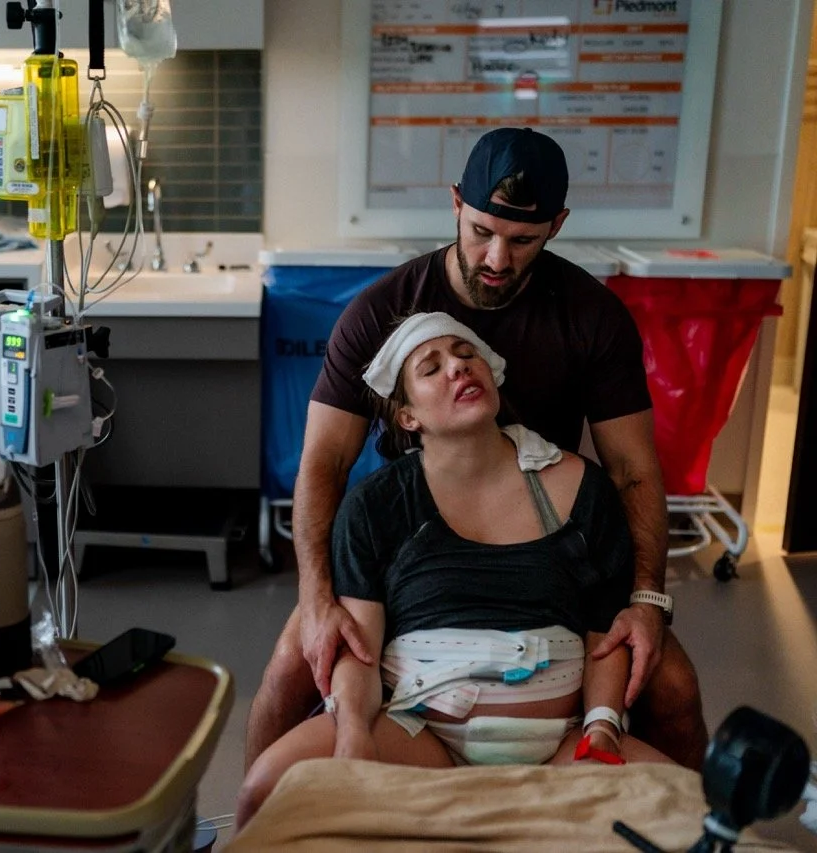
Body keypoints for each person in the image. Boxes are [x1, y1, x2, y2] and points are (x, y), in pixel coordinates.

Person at [245, 127, 708, 772]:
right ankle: (261, 830)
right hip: (409, 549)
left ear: (557, 226)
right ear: (456, 203)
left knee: (674, 688)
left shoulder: (591, 318)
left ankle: (693, 831)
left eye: (523, 241)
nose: (498, 258)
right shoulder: (380, 313)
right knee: (294, 664)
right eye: (482, 231)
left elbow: (632, 470)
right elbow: (323, 462)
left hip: (544, 548)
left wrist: (646, 598)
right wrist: (318, 596)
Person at [236, 314, 672, 828]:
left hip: (559, 742)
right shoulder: (376, 506)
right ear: (407, 418)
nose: (459, 368)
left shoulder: (582, 488)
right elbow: (360, 645)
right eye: (431, 367)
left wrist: (602, 726)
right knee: (263, 792)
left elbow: (605, 632)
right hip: (420, 736)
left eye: (468, 355)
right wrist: (353, 729)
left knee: (684, 809)